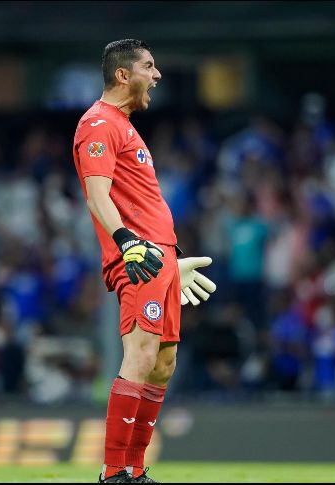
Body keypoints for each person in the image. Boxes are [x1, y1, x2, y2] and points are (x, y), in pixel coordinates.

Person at [72, 39, 215, 483]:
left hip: (159, 258)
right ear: (122, 74)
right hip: (139, 258)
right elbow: (97, 196)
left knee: (163, 363)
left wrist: (172, 261)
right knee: (140, 353)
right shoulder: (99, 123)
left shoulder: (125, 125)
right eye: (148, 67)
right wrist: (128, 243)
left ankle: (134, 470)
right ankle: (114, 472)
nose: (156, 76)